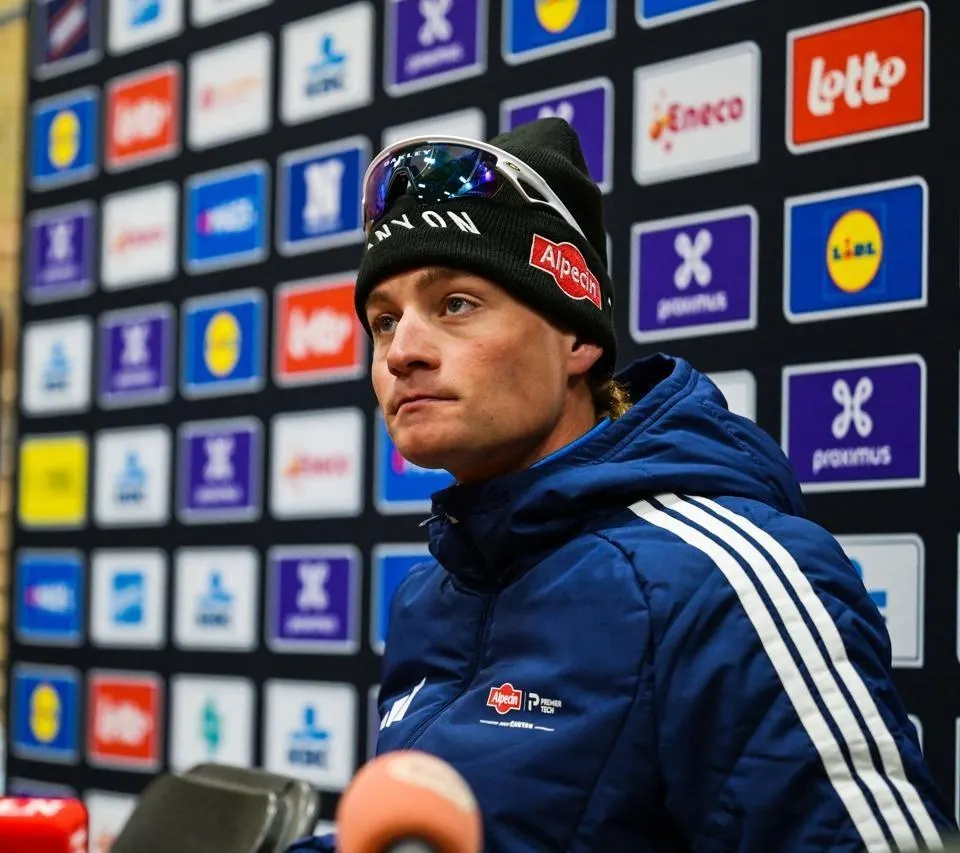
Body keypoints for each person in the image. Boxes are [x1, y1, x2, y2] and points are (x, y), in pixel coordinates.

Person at [288, 120, 955, 851]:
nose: (401, 353)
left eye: (456, 305)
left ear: (577, 338)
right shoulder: (432, 594)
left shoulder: (721, 583)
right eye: (385, 321)